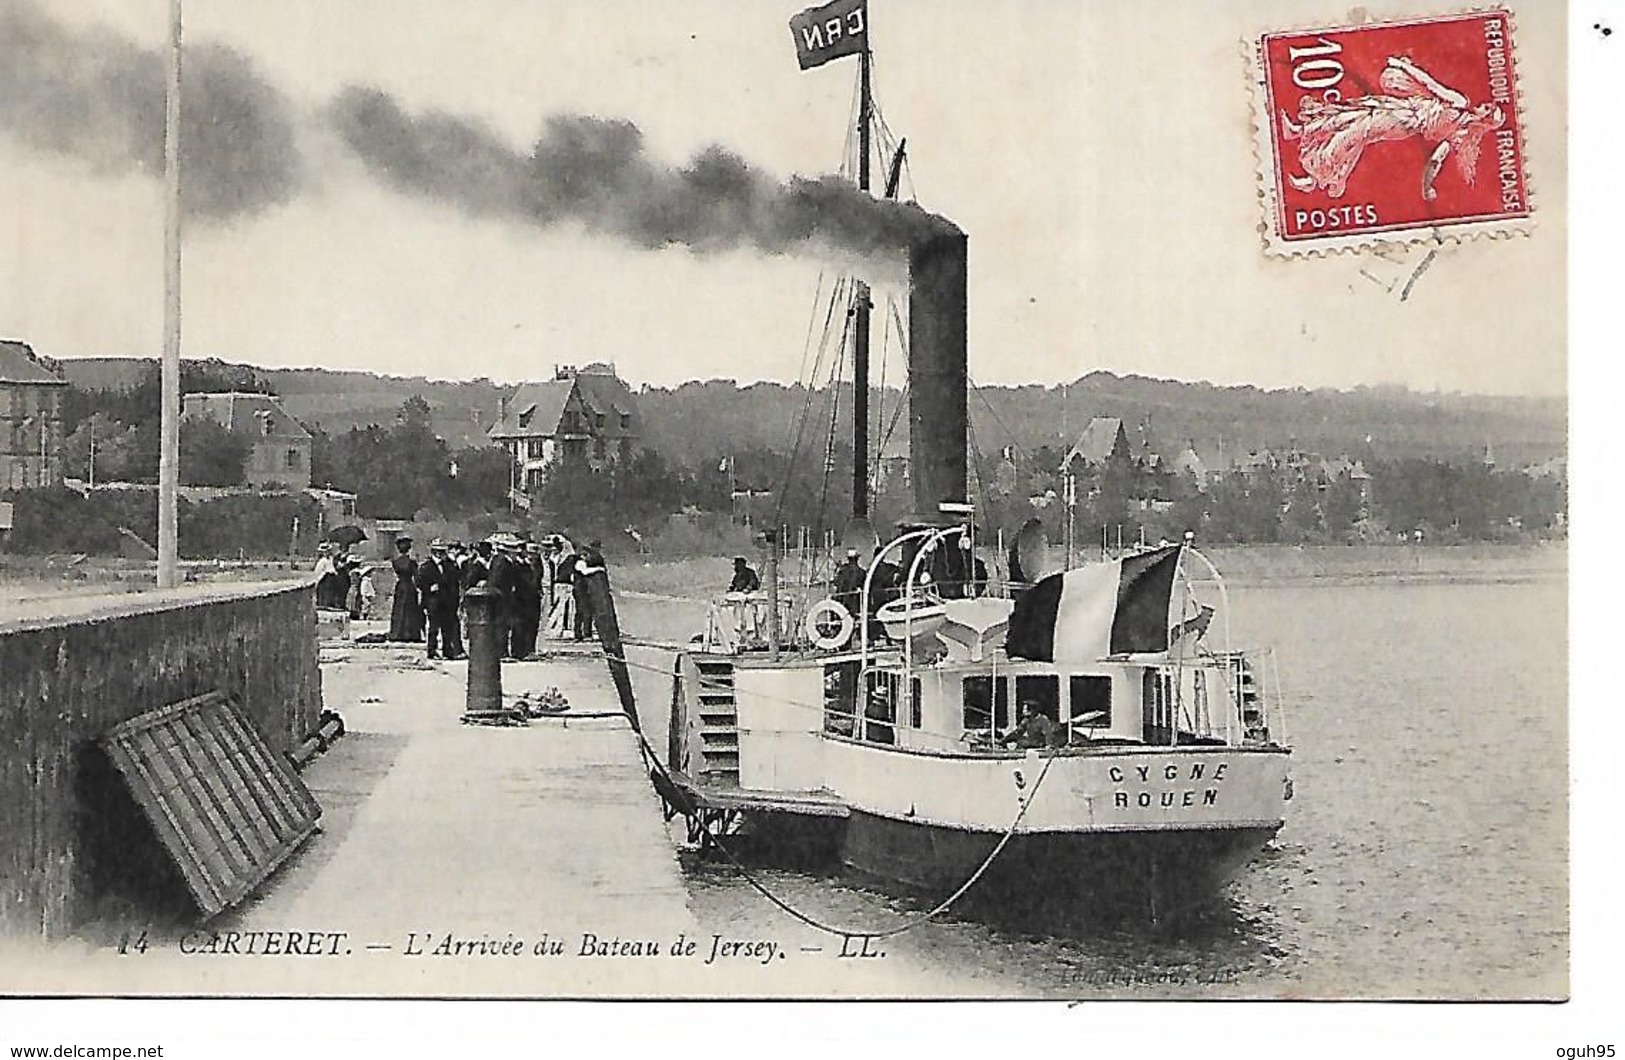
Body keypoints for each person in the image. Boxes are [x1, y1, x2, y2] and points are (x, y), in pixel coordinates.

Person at [416, 539, 464, 660]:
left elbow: (455, 579)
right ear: (434, 552)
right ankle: (432, 650)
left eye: (442, 552)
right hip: (433, 601)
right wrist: (429, 587)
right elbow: (419, 581)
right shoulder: (426, 566)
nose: (441, 554)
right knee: (433, 627)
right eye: (438, 552)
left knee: (447, 627)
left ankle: (447, 650)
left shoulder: (448, 565)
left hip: (447, 601)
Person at [387, 535, 424, 642]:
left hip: (400, 586)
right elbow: (417, 577)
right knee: (410, 610)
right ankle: (410, 633)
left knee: (399, 609)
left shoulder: (395, 562)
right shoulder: (412, 562)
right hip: (409, 586)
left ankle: (397, 633)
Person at [572, 539, 605, 641]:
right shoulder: (579, 563)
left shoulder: (583, 562)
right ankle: (580, 633)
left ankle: (586, 632)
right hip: (580, 589)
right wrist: (598, 569)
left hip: (584, 589)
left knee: (586, 611)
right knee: (582, 611)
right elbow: (585, 572)